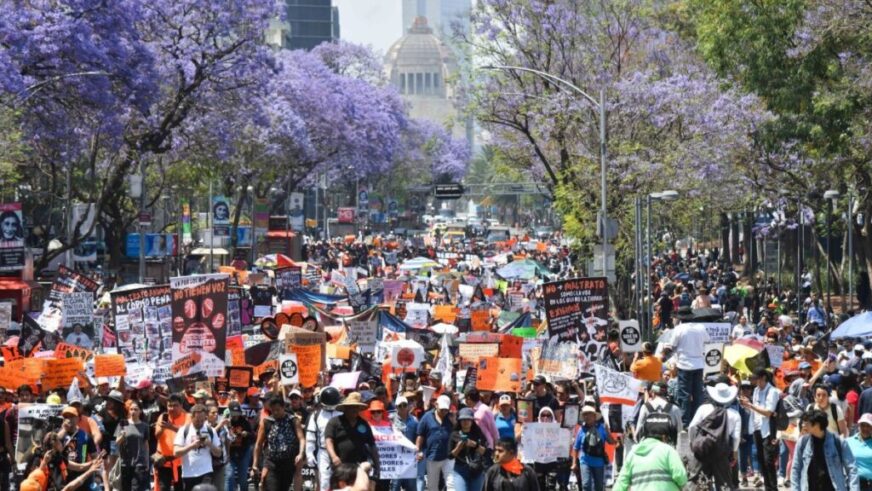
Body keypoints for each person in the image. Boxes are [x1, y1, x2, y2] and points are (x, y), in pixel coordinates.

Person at [613, 404, 688, 491]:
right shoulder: (668, 451)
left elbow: (620, 484)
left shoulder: (633, 453)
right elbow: (681, 477)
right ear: (664, 437)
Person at [688, 382, 742, 490]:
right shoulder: (734, 414)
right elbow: (736, 437)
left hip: (702, 450)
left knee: (698, 483)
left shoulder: (703, 409)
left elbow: (692, 427)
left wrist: (692, 442)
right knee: (724, 484)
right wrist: (735, 452)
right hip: (721, 453)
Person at [791, 409, 858, 491]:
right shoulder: (802, 442)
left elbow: (852, 469)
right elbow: (795, 469)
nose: (803, 425)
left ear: (817, 425)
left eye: (806, 423)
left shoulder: (838, 442)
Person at [740, 368, 781, 491]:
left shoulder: (773, 391)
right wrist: (748, 404)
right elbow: (756, 409)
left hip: (768, 430)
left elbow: (768, 412)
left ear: (763, 378)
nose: (753, 381)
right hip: (757, 429)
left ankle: (773, 488)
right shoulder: (757, 390)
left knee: (769, 461)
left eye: (755, 378)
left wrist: (751, 405)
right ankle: (767, 487)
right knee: (762, 460)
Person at [254, 395, 305, 491]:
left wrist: (301, 453)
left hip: (288, 463)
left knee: (283, 488)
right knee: (272, 487)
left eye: (278, 410)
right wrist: (255, 464)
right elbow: (258, 444)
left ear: (283, 407)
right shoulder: (266, 422)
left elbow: (301, 439)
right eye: (273, 410)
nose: (275, 412)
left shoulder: (293, 420)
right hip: (272, 463)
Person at [664, 320, 710, 426]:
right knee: (697, 393)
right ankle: (697, 419)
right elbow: (707, 340)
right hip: (698, 364)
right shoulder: (701, 327)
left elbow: (671, 345)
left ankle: (685, 422)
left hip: (684, 365)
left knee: (684, 395)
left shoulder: (679, 328)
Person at [174, 403, 223, 490]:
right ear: (192, 417)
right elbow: (176, 452)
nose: (200, 423)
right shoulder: (183, 430)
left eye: (202, 420)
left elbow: (219, 453)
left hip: (206, 471)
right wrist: (191, 446)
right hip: (188, 473)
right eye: (197, 420)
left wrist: (209, 444)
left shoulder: (210, 431)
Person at [307, 386, 343, 491]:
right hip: (323, 452)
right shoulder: (316, 416)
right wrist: (309, 454)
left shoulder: (342, 414)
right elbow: (310, 436)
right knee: (324, 482)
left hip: (340, 452)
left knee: (341, 481)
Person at [571, 405, 615, 491]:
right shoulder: (581, 430)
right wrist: (574, 463)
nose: (587, 416)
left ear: (595, 416)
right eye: (585, 414)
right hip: (585, 462)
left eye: (589, 414)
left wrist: (607, 431)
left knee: (599, 487)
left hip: (599, 462)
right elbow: (576, 447)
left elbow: (611, 442)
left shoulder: (602, 428)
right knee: (586, 485)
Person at [417, 394, 454, 491]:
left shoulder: (450, 418)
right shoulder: (427, 417)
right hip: (432, 457)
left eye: (446, 410)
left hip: (448, 457)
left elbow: (457, 433)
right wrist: (418, 450)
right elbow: (420, 435)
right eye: (442, 409)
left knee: (451, 485)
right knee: (432, 486)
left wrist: (454, 421)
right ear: (436, 405)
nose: (444, 412)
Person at [450, 407, 489, 491]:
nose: (465, 422)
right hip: (460, 470)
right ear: (459, 421)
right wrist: (458, 447)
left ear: (472, 421)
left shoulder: (478, 433)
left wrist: (475, 445)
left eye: (468, 419)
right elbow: (450, 456)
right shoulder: (454, 434)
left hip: (477, 470)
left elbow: (486, 452)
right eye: (463, 419)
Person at [156, 394, 189, 491]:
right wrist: (162, 428)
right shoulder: (163, 416)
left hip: (182, 462)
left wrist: (171, 427)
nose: (172, 408)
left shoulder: (187, 417)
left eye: (175, 405)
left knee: (180, 489)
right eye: (170, 405)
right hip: (164, 461)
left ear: (181, 406)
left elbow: (187, 433)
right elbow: (157, 436)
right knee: (163, 488)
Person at [115, 400, 150, 491]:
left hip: (139, 463)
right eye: (131, 409)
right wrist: (122, 436)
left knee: (137, 488)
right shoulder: (123, 423)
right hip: (125, 463)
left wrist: (147, 462)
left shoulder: (144, 426)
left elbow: (146, 445)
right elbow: (117, 442)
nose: (133, 411)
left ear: (140, 411)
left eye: (135, 409)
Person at [389, 394, 419, 491]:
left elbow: (418, 436)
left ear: (407, 406)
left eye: (404, 405)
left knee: (411, 486)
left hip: (410, 458)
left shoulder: (414, 420)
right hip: (396, 458)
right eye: (399, 406)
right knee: (395, 486)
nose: (402, 407)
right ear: (396, 407)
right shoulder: (390, 420)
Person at [223, 401, 253, 491]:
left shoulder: (244, 422)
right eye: (234, 414)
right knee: (229, 476)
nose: (236, 416)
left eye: (237, 413)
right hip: (230, 453)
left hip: (243, 452)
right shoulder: (225, 422)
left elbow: (253, 435)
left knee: (242, 478)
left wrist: (246, 434)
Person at [847, 413, 872, 490]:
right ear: (858, 426)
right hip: (852, 484)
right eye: (863, 425)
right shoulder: (848, 442)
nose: (865, 428)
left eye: (868, 426)